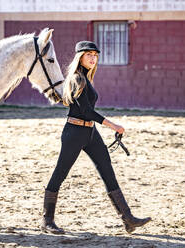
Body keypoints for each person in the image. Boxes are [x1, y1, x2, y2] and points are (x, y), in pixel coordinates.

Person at [40, 41, 151, 234]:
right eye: (88, 54)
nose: (93, 58)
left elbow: (88, 113)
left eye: (95, 55)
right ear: (80, 57)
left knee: (107, 170)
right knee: (60, 173)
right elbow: (86, 111)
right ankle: (47, 220)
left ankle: (128, 219)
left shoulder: (85, 78)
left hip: (90, 132)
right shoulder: (77, 78)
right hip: (74, 133)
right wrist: (113, 125)